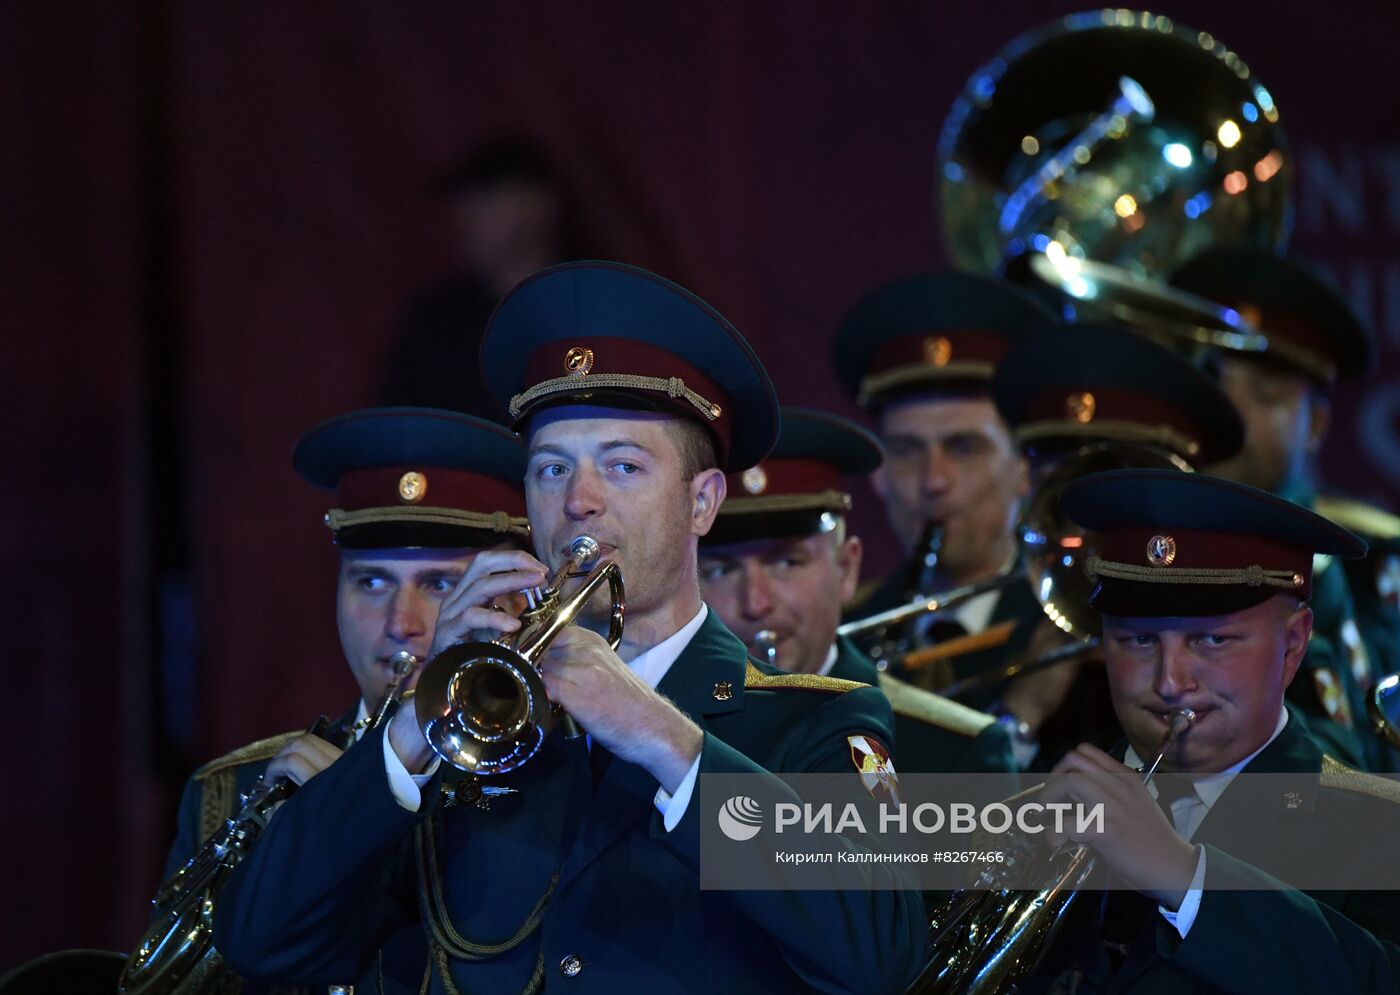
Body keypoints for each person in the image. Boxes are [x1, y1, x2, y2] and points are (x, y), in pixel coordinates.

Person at [215, 262, 925, 994]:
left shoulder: (811, 718)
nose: (579, 501)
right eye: (552, 470)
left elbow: (882, 959)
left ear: (703, 501)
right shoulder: (468, 725)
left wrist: (667, 739)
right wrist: (408, 729)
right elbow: (266, 942)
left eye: (621, 466)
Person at [150, 406, 530, 993]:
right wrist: (330, 815)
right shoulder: (232, 791)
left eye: (439, 584)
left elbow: (724, 923)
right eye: (371, 582)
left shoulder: (575, 765)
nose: (401, 623)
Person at [1018, 468, 1400, 992]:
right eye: (1138, 641)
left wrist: (1186, 878)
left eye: (1212, 640)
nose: (1171, 683)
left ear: (1292, 646)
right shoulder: (1026, 817)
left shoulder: (1383, 829)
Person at [697, 405, 1017, 775]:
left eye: (787, 563)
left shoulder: (958, 752)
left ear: (846, 570)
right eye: (721, 570)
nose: (755, 602)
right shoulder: (656, 728)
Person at [985, 322, 1246, 770]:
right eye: (1068, 501)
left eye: (1117, 503)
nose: (1094, 536)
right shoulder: (993, 636)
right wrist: (1019, 718)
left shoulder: (1245, 633)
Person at [1172, 247, 1391, 770]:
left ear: (1316, 426)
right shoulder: (1147, 538)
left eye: (1265, 395)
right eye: (1212, 385)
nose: (1230, 414)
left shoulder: (1366, 572)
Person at [832, 273, 1057, 707]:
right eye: (906, 451)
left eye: (965, 448)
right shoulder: (842, 640)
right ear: (878, 476)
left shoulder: (1069, 631)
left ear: (1025, 468)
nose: (934, 480)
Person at [381, 137, 584, 420]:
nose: (467, 216)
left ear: (540, 204)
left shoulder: (594, 303)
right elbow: (398, 424)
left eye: (487, 198)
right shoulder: (437, 321)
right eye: (465, 202)